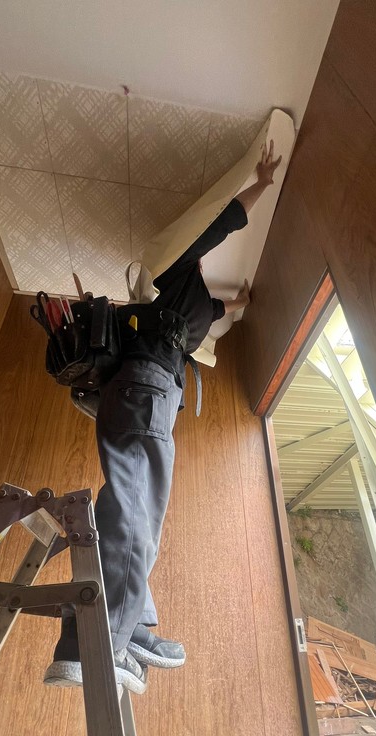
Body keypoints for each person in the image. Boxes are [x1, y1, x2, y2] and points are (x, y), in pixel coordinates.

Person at [44, 142, 282, 693]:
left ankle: (128, 627)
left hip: (143, 398)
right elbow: (219, 225)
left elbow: (214, 312)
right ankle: (94, 641)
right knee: (136, 515)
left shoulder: (187, 306)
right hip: (145, 393)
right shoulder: (170, 273)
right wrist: (261, 182)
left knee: (133, 511)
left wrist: (239, 305)